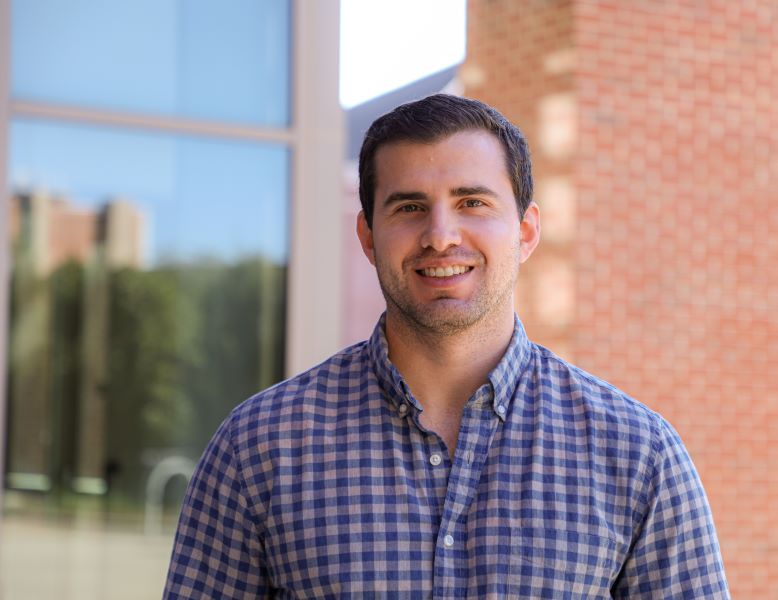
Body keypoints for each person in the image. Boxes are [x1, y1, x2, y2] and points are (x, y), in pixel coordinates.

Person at [163, 94, 730, 598]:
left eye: (472, 203)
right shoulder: (260, 446)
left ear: (526, 231)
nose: (440, 235)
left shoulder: (637, 455)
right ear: (367, 235)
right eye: (409, 207)